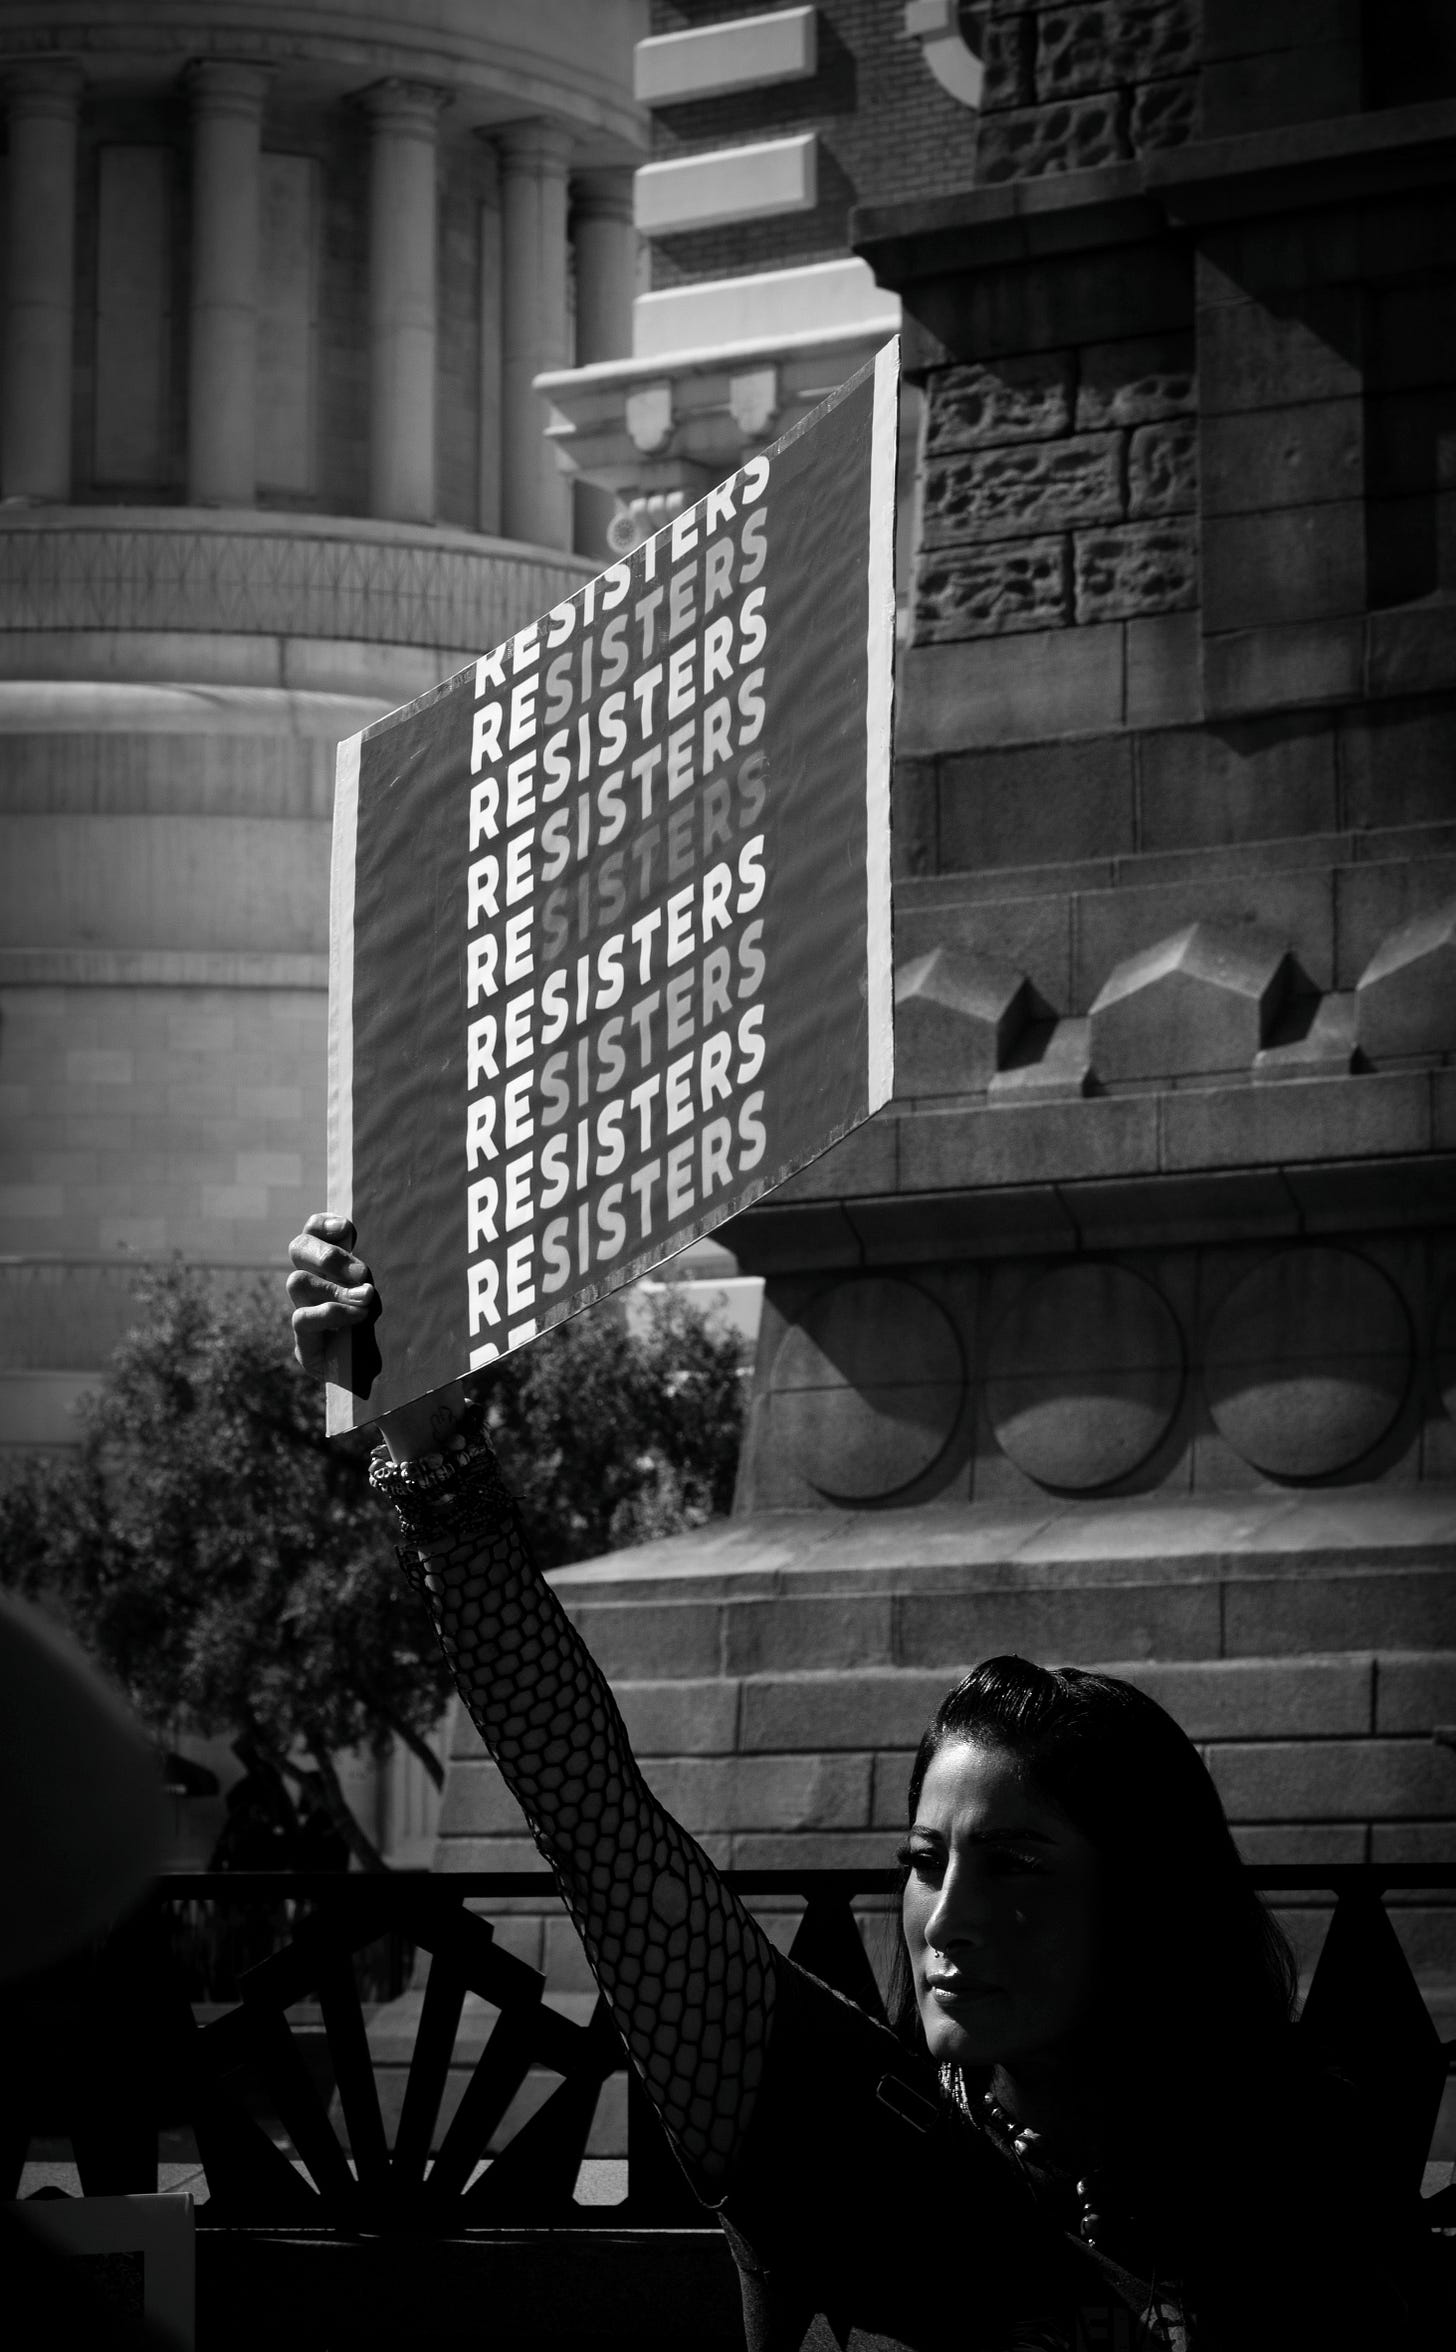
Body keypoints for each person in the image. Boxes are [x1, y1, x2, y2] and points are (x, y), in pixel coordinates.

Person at [287, 1213, 1443, 2352]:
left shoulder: (1293, 2177)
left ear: (1140, 1902)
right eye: (927, 1863)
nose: (949, 1920)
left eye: (1014, 1866)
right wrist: (427, 1443)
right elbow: (593, 1819)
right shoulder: (805, 2113)